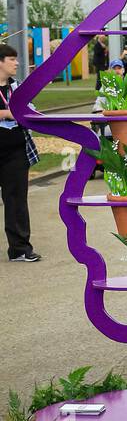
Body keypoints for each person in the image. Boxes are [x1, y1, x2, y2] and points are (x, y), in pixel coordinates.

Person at [0, 43, 42, 262]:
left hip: (16, 152)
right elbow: (10, 113)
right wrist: (6, 113)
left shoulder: (17, 88)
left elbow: (30, 109)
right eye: (12, 59)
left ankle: (19, 248)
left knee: (16, 200)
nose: (17, 63)